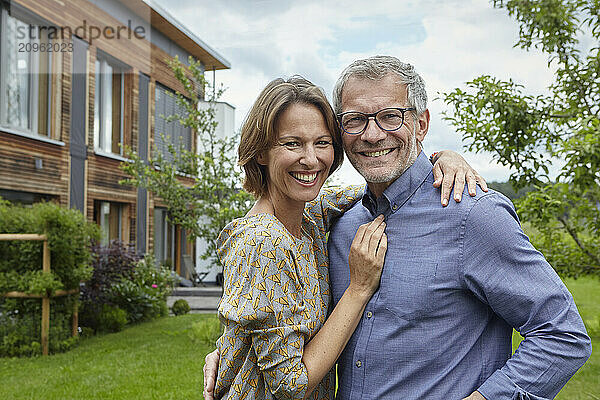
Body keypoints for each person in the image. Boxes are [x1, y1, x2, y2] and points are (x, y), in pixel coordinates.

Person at [324, 56, 590, 399]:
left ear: (421, 124)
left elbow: (562, 334)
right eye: (356, 120)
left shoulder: (475, 215)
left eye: (390, 116)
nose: (372, 134)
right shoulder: (341, 224)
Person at [208, 76, 485, 400]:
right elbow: (290, 386)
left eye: (322, 142)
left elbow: (384, 184)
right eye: (292, 143)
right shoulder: (262, 243)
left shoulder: (308, 218)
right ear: (261, 153)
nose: (310, 159)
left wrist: (443, 160)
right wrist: (359, 288)